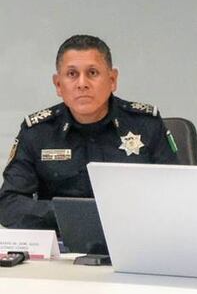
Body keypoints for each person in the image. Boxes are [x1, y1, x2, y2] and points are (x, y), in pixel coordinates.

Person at [0, 34, 180, 231]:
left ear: (112, 80)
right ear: (58, 85)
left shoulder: (147, 125)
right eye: (72, 74)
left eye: (92, 73)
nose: (82, 83)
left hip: (135, 239)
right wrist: (72, 215)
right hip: (62, 246)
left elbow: (177, 195)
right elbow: (9, 204)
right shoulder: (37, 132)